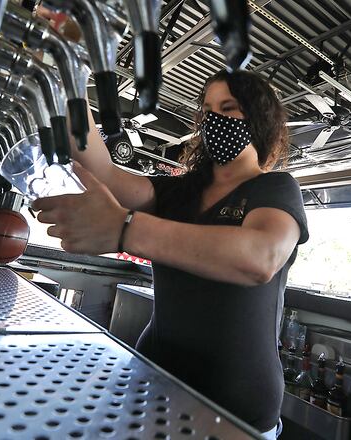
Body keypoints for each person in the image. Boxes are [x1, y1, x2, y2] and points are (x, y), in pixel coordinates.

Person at [32, 70, 309, 438]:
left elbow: (260, 258)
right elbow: (103, 172)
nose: (216, 120)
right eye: (208, 110)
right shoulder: (177, 193)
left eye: (229, 108)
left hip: (236, 410)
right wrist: (69, 76)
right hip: (154, 381)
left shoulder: (275, 188)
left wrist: (126, 229)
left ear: (260, 120)